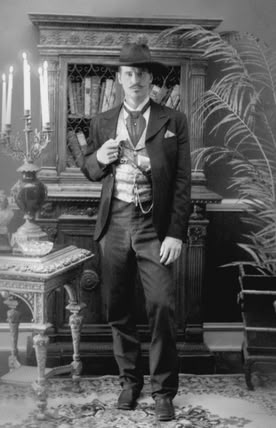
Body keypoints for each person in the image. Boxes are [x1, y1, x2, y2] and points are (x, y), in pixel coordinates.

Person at [82, 40, 191, 422]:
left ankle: (164, 390)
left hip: (154, 226)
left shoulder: (173, 121)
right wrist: (98, 157)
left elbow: (181, 182)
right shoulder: (102, 121)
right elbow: (89, 168)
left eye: (142, 73)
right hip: (115, 222)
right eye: (128, 73)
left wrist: (176, 232)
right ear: (118, 79)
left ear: (152, 79)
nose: (136, 80)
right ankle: (130, 381)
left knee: (161, 304)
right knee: (117, 307)